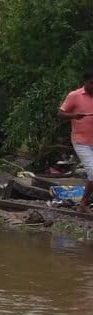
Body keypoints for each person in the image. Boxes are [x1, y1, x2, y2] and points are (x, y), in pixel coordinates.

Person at [58, 69, 93, 212]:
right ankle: (83, 204)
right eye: (91, 83)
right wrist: (74, 116)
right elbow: (60, 113)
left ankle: (84, 203)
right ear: (85, 82)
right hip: (81, 141)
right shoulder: (75, 95)